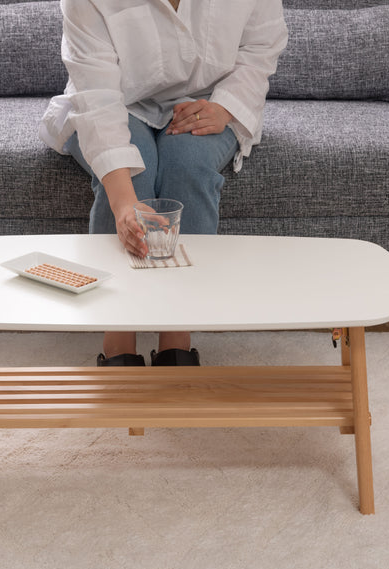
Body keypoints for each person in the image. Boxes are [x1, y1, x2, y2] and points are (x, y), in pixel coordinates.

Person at [39, 0, 288, 366]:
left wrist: (226, 107)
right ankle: (119, 337)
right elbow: (96, 98)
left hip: (210, 99)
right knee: (133, 175)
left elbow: (261, 45)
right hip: (115, 101)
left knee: (187, 165)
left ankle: (177, 332)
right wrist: (124, 202)